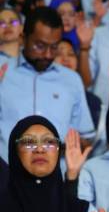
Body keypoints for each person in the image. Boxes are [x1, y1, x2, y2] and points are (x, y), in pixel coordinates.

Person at [0, 8, 94, 161]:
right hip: (7, 172)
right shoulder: (3, 74)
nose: (48, 54)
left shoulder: (71, 80)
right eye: (40, 46)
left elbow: (86, 139)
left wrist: (55, 148)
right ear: (22, 39)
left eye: (54, 47)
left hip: (59, 173)